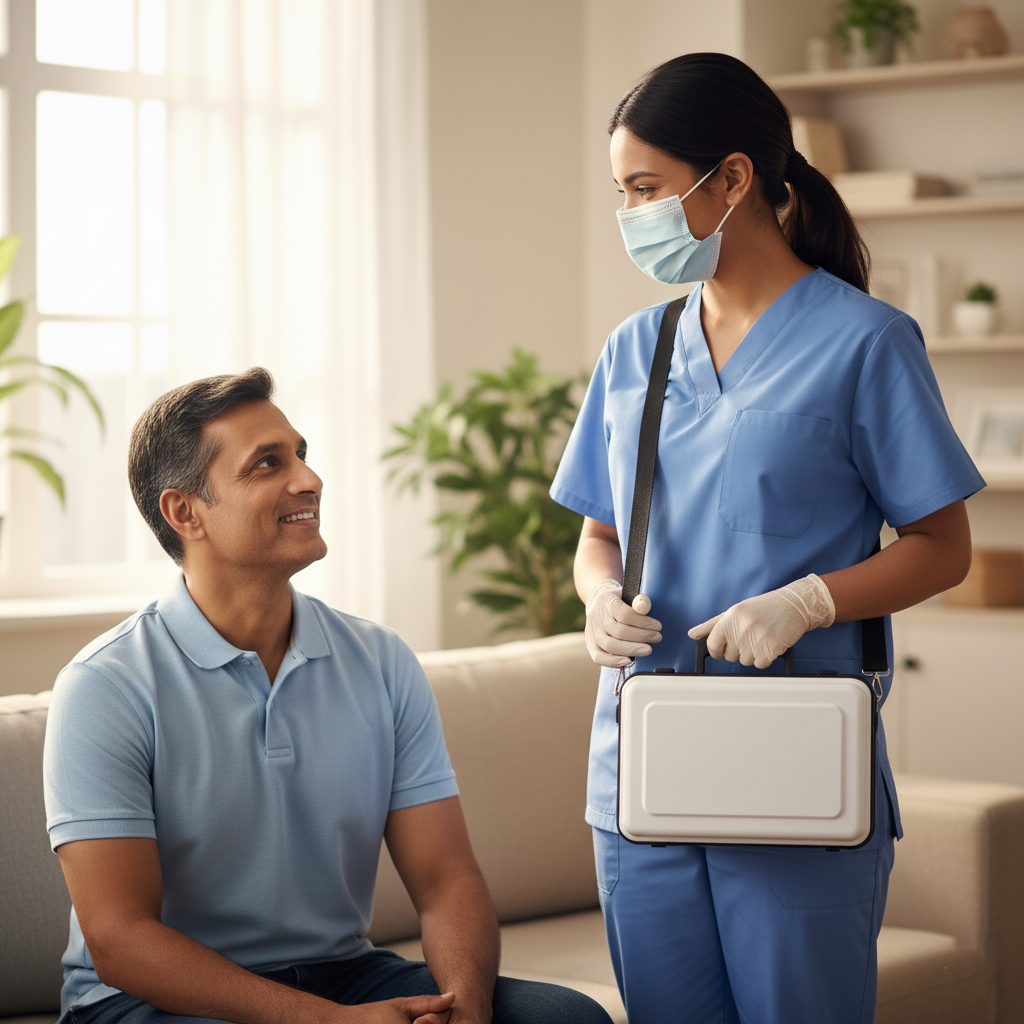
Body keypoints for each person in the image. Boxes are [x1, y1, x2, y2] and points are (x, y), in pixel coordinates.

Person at [550, 53, 984, 1024]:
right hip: (641, 765)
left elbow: (942, 544)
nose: (631, 214)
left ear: (733, 178)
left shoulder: (866, 341)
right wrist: (597, 598)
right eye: (622, 193)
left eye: (647, 189)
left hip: (793, 764)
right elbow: (598, 535)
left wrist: (810, 601)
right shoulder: (635, 349)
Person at [43, 368, 612, 1024]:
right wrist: (331, 1023)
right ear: (184, 512)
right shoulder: (105, 687)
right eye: (267, 463)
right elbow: (121, 941)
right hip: (143, 1001)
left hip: (341, 973)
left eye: (301, 454)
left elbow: (445, 879)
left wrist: (465, 1004)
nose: (309, 479)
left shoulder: (380, 660)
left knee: (568, 1019)